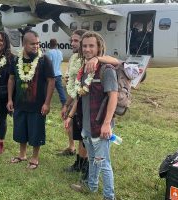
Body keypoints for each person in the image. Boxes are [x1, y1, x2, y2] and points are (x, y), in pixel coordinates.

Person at [61, 30, 120, 181]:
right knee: (83, 139)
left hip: (97, 116)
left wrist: (98, 59)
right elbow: (79, 94)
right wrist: (69, 112)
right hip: (82, 108)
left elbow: (118, 63)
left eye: (91, 46)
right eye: (84, 46)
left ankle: (102, 188)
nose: (86, 49)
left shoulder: (103, 66)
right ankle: (84, 171)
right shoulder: (78, 61)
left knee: (99, 156)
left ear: (98, 47)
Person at [7, 30, 55, 169]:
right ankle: (22, 155)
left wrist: (47, 103)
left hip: (38, 104)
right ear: (24, 44)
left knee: (36, 131)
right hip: (20, 103)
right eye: (33, 44)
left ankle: (34, 158)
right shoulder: (16, 60)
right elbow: (11, 79)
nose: (36, 46)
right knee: (20, 130)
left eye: (38, 43)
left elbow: (51, 81)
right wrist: (10, 99)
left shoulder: (44, 60)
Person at [45, 38, 66, 106]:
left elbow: (48, 63)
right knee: (61, 90)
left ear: (49, 44)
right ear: (56, 44)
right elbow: (61, 60)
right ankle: (64, 103)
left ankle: (45, 103)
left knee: (47, 90)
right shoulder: (60, 52)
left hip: (51, 75)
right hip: (58, 73)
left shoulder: (49, 52)